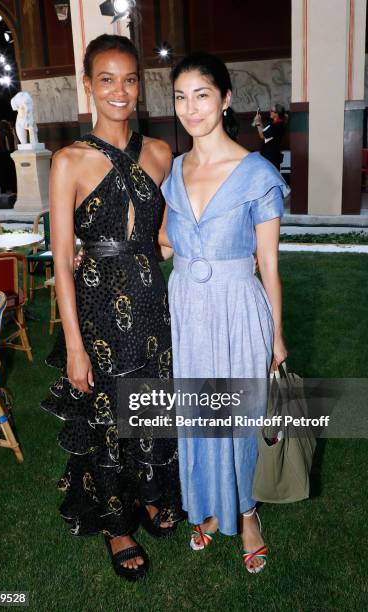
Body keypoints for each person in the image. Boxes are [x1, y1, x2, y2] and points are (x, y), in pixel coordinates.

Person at [41, 34, 183, 582]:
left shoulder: (160, 153)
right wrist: (74, 345)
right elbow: (60, 263)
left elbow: (166, 239)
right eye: (106, 79)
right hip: (97, 309)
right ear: (88, 85)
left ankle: (149, 492)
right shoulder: (68, 161)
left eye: (129, 79)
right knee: (106, 417)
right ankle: (118, 522)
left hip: (151, 302)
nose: (119, 91)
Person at [159, 53, 289, 574]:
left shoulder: (256, 172)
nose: (190, 108)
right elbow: (167, 242)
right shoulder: (173, 169)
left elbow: (270, 265)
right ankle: (212, 508)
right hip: (187, 306)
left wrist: (277, 338)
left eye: (202, 95)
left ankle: (249, 513)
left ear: (226, 98)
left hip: (238, 307)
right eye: (180, 97)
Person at [254, 103, 286, 170]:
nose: (270, 112)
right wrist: (259, 121)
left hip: (271, 157)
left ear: (277, 114)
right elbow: (264, 132)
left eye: (272, 111)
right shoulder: (274, 124)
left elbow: (262, 135)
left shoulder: (278, 126)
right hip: (270, 156)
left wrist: (257, 123)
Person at [0, 120, 17, 193]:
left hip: (3, 155)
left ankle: (4, 190)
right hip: (12, 154)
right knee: (12, 172)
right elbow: (16, 146)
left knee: (3, 172)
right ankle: (14, 189)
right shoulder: (12, 133)